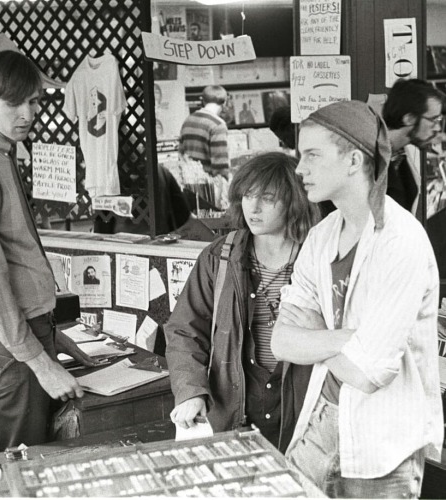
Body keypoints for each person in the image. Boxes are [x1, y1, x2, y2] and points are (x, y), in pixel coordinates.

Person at [272, 101, 444, 498]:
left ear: (353, 159)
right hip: (322, 424)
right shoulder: (321, 236)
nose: (300, 169)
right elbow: (281, 341)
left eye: (312, 155)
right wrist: (348, 339)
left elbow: (370, 374)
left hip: (383, 446)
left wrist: (312, 338)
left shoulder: (400, 241)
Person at [0, 50, 98, 453]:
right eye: (13, 103)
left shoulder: (0, 154)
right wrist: (41, 363)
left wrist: (51, 337)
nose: (27, 112)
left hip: (26, 336)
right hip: (11, 348)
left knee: (30, 461)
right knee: (17, 465)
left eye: (33, 100)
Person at [165, 152, 320, 451]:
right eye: (247, 196)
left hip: (302, 412)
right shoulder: (220, 256)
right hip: (233, 409)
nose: (254, 207)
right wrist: (190, 391)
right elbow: (184, 329)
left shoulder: (317, 258)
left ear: (294, 200)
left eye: (267, 198)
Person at [382, 78, 444, 214]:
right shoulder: (368, 158)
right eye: (434, 120)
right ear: (409, 119)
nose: (437, 128)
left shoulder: (399, 155)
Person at [179, 85, 230, 178]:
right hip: (209, 186)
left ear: (203, 101)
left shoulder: (188, 120)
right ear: (224, 103)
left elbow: (181, 154)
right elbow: (220, 166)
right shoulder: (218, 125)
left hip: (190, 182)